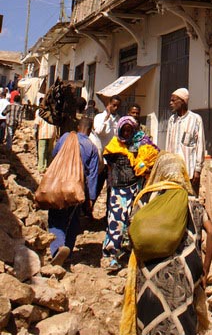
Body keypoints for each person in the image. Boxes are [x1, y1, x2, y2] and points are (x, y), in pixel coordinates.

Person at [120, 152, 212, 335]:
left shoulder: (145, 201)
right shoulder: (193, 202)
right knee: (183, 318)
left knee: (149, 318)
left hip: (150, 272)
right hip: (185, 272)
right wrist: (205, 269)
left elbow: (130, 235)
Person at [48, 117, 100, 266]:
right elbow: (92, 176)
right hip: (76, 187)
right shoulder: (91, 147)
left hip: (58, 183)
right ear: (90, 130)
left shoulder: (65, 137)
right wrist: (91, 198)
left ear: (78, 127)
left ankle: (57, 249)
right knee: (73, 219)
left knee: (56, 218)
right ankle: (68, 253)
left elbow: (54, 156)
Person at [101, 116, 143, 271]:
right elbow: (109, 168)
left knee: (133, 221)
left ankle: (131, 254)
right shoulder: (113, 146)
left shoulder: (139, 146)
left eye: (129, 130)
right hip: (119, 190)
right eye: (124, 130)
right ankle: (111, 254)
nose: (126, 133)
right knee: (116, 221)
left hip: (135, 188)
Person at [165, 87, 205, 194]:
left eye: (173, 100)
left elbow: (200, 145)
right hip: (174, 171)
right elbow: (168, 145)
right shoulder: (171, 120)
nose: (170, 103)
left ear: (182, 101)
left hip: (190, 171)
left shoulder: (196, 119)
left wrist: (197, 170)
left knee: (190, 201)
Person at [90, 96, 121, 201]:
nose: (116, 108)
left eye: (118, 106)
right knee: (96, 187)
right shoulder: (99, 117)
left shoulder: (118, 120)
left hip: (111, 160)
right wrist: (106, 119)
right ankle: (88, 211)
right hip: (99, 158)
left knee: (110, 188)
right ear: (109, 104)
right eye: (114, 105)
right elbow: (99, 132)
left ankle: (108, 214)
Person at [34, 103, 58, 172]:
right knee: (50, 150)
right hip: (52, 133)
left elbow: (36, 123)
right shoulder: (54, 113)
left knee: (42, 151)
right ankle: (49, 165)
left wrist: (34, 132)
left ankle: (41, 167)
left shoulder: (40, 112)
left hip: (43, 133)